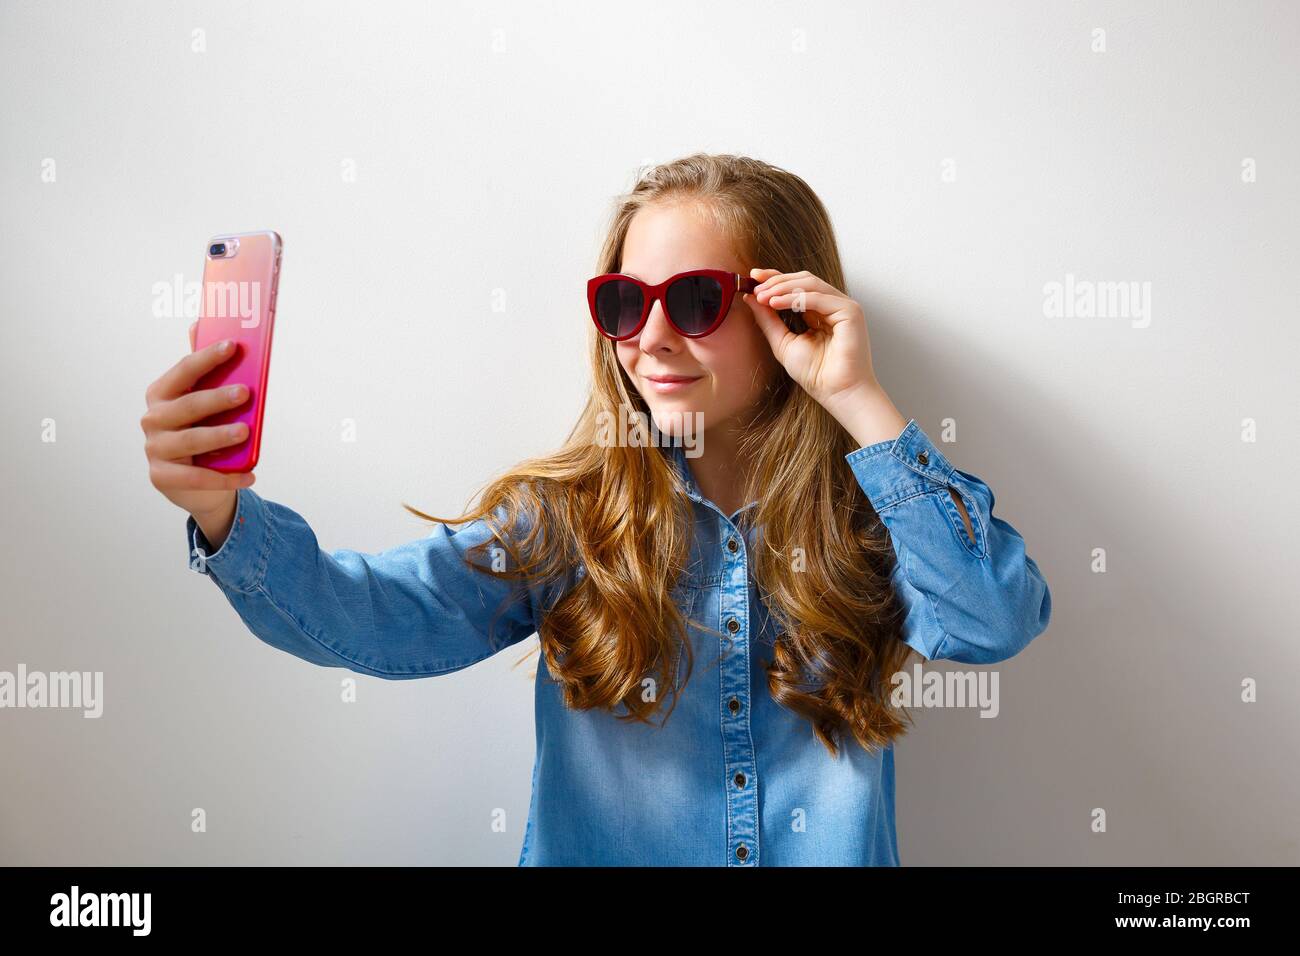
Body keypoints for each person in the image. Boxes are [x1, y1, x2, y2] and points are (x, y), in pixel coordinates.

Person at [142, 152, 1051, 866]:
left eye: (696, 300)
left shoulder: (875, 518)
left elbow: (995, 617)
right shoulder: (569, 520)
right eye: (623, 302)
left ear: (790, 314)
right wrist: (224, 511)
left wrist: (858, 399)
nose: (650, 336)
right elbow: (374, 622)